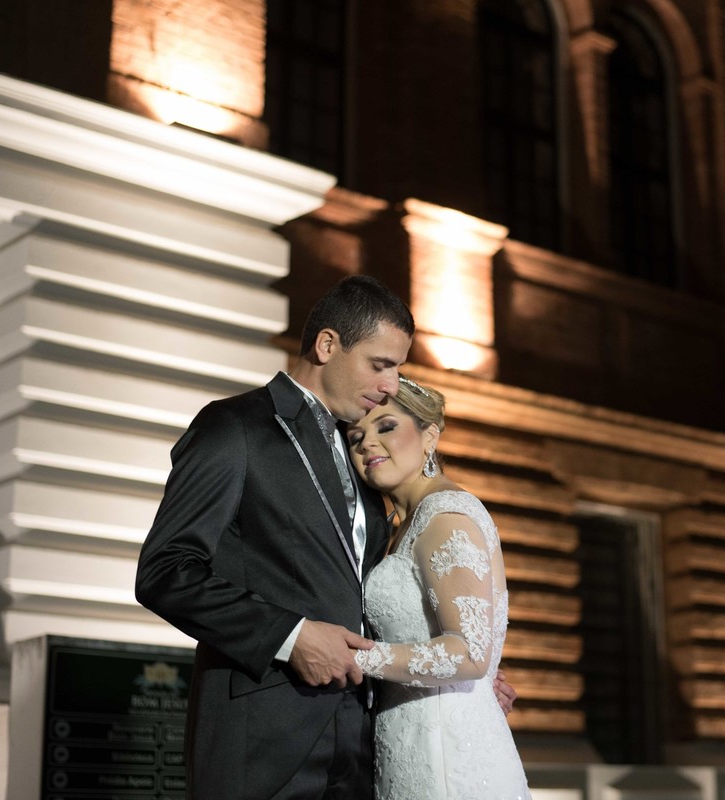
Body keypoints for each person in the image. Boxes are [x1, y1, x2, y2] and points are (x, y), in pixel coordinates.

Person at [135, 275, 514, 799]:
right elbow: (166, 571)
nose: (390, 384)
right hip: (262, 736)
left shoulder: (364, 458)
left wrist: (456, 679)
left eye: (398, 369)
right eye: (380, 365)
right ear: (327, 344)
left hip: (361, 742)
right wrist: (293, 637)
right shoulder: (234, 427)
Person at [347, 374, 531, 800]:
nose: (367, 444)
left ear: (429, 436)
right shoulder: (399, 526)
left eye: (386, 426)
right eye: (357, 435)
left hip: (449, 753)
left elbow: (469, 653)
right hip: (408, 743)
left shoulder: (446, 515)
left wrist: (357, 657)